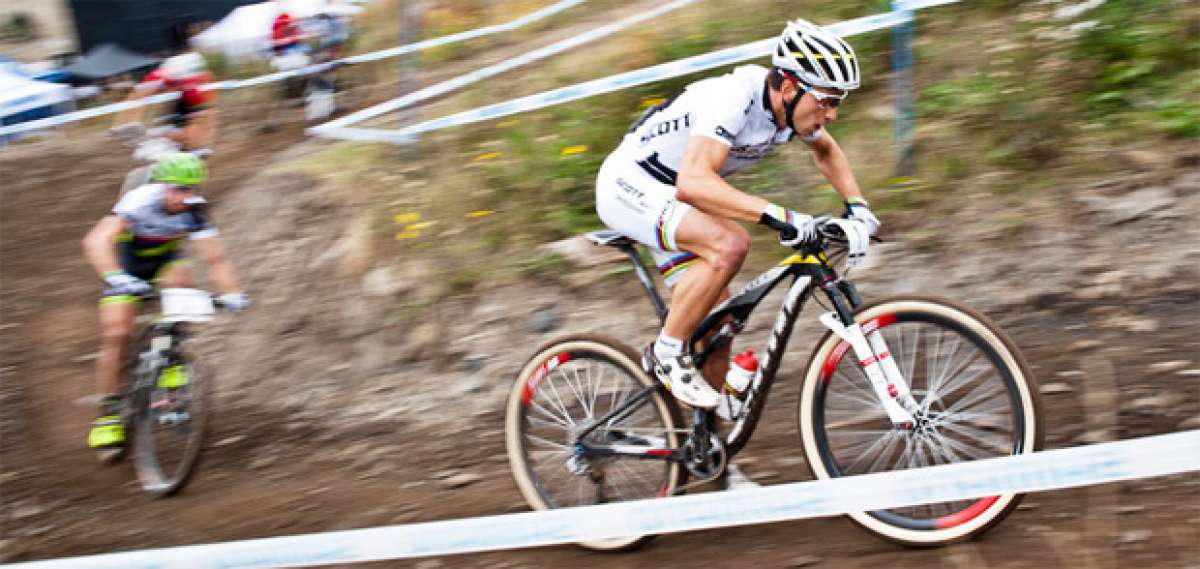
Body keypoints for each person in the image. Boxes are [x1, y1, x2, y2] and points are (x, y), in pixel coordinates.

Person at [594, 19, 880, 410]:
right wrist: (783, 216)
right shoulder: (732, 98)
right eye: (827, 101)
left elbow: (826, 151)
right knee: (730, 243)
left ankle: (712, 455)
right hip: (629, 185)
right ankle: (665, 352)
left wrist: (858, 208)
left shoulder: (792, 111)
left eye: (837, 103)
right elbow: (694, 182)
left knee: (716, 323)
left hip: (670, 198)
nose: (831, 114)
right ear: (790, 86)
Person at [82, 153, 249, 459]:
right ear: (162, 187)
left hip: (164, 261)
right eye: (179, 189)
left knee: (182, 281)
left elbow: (216, 258)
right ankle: (108, 412)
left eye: (192, 189)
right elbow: (96, 240)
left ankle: (171, 353)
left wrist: (232, 293)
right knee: (118, 334)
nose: (186, 197)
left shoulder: (196, 212)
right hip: (127, 263)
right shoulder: (139, 201)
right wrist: (115, 277)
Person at [111, 23, 217, 157]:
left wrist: (125, 119)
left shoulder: (178, 62)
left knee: (190, 131)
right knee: (194, 130)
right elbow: (198, 81)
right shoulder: (195, 59)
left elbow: (145, 90)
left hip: (189, 102)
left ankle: (157, 137)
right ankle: (161, 138)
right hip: (192, 101)